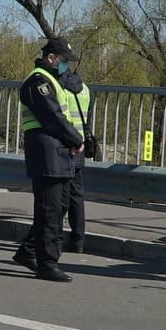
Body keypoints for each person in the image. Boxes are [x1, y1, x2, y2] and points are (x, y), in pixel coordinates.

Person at [10, 38, 84, 282]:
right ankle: (47, 264)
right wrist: (75, 139)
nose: (66, 66)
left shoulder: (53, 80)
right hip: (46, 151)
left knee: (60, 206)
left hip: (59, 151)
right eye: (63, 61)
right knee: (49, 210)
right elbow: (52, 117)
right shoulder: (37, 81)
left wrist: (72, 141)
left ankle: (28, 251)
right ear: (51, 57)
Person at [62, 68, 93, 254]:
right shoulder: (85, 89)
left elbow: (61, 119)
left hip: (65, 147)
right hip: (80, 145)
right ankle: (78, 240)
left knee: (59, 195)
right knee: (76, 196)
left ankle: (53, 237)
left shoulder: (60, 89)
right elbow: (87, 120)